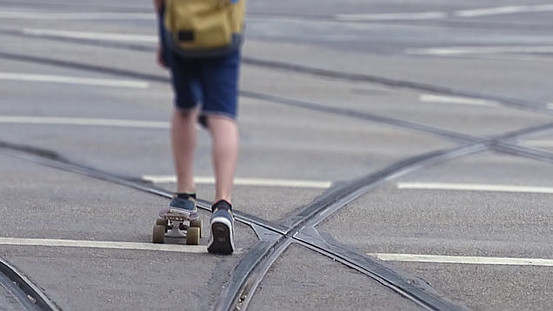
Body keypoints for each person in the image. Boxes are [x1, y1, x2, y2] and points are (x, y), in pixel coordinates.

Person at [154, 0, 241, 254]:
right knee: (222, 116)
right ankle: (222, 206)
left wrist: (163, 36)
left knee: (184, 108)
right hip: (223, 29)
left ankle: (184, 196)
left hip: (182, 29)